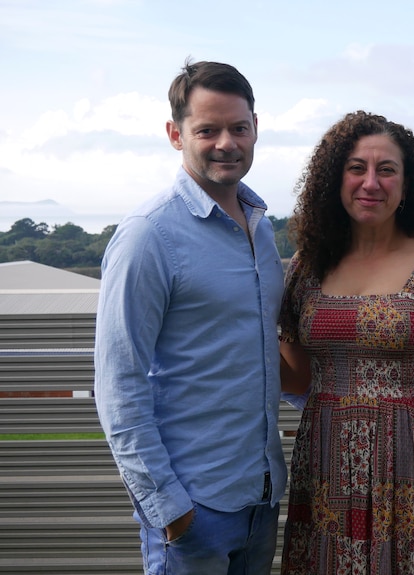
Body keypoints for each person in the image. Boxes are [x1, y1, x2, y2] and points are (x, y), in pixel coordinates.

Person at [278, 110, 414, 574]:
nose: (370, 183)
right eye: (356, 168)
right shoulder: (308, 266)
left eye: (387, 170)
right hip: (327, 465)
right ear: (334, 180)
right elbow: (294, 372)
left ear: (407, 182)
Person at [94, 59, 287, 575]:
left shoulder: (261, 229)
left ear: (255, 129)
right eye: (207, 130)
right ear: (175, 134)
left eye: (238, 128)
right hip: (193, 508)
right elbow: (118, 384)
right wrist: (168, 509)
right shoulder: (148, 236)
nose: (226, 142)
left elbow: (270, 353)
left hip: (261, 497)